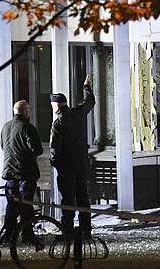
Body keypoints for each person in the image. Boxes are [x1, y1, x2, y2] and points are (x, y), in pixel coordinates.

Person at [49, 74, 96, 238]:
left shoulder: (59, 123)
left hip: (66, 167)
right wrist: (86, 88)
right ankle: (86, 229)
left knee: (68, 199)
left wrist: (55, 163)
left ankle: (67, 230)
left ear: (56, 106)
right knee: (83, 195)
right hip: (81, 163)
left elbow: (55, 147)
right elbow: (90, 102)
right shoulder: (78, 113)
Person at [1, 99, 44, 247]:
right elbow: (37, 150)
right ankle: (27, 234)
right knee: (26, 203)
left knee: (11, 204)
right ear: (25, 112)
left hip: (9, 172)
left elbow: (2, 146)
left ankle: (8, 234)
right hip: (25, 172)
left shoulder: (5, 126)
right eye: (29, 110)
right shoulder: (27, 127)